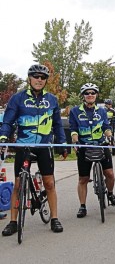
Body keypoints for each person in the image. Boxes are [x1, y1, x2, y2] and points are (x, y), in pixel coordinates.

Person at [0, 64, 67, 235]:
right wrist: (3, 137)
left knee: (49, 183)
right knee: (17, 184)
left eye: (42, 77)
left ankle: (54, 218)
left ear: (46, 81)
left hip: (44, 146)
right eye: (36, 76)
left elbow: (58, 124)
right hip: (24, 145)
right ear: (29, 79)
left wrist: (62, 143)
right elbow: (8, 121)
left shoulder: (51, 99)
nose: (39, 79)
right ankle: (13, 222)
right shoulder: (18, 98)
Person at [70, 83, 115, 219]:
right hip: (84, 146)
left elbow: (106, 127)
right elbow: (73, 128)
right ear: (83, 96)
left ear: (96, 95)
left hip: (101, 144)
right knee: (83, 179)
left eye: (92, 92)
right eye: (87, 93)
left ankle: (110, 193)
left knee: (110, 174)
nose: (90, 95)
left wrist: (110, 136)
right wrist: (75, 140)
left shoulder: (102, 111)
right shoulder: (75, 111)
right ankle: (82, 206)